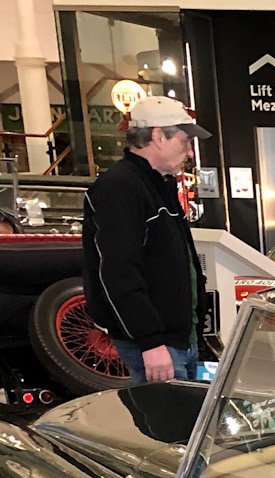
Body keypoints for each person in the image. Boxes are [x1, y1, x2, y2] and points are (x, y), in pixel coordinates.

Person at [83, 95, 210, 384]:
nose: (190, 153)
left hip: (178, 338)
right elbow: (117, 272)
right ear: (158, 136)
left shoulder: (158, 183)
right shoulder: (119, 187)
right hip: (157, 346)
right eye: (185, 141)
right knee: (166, 413)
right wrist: (150, 342)